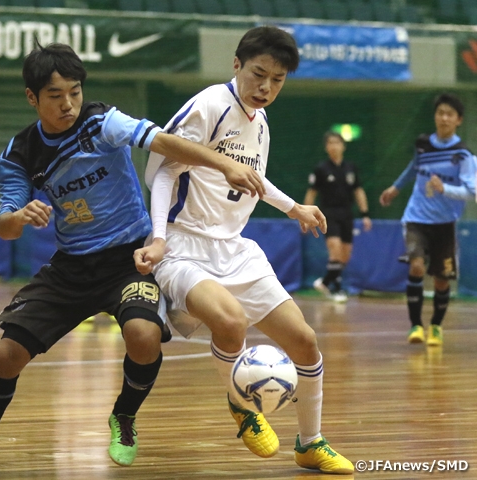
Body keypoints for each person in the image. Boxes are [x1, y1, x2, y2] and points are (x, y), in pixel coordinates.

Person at [0, 43, 265, 475]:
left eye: (75, 92)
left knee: (143, 334)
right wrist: (20, 216)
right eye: (55, 96)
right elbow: (4, 225)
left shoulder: (102, 122)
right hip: (72, 267)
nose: (68, 105)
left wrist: (222, 164)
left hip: (129, 260)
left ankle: (124, 416)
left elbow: (164, 141)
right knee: (7, 354)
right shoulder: (21, 152)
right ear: (32, 97)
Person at [134, 26, 354, 474]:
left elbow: (252, 178)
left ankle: (310, 443)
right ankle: (243, 407)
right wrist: (158, 237)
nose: (266, 87)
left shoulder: (261, 121)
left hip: (235, 248)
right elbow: (162, 173)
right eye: (258, 74)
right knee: (231, 321)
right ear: (236, 65)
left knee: (305, 342)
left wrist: (294, 207)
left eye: (277, 80)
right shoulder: (211, 104)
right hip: (183, 245)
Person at [379, 93, 476, 347]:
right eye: (440, 112)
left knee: (442, 279)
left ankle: (435, 326)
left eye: (449, 114)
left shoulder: (463, 155)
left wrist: (444, 189)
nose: (443, 118)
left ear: (458, 120)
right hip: (416, 218)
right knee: (417, 267)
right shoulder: (423, 144)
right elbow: (414, 167)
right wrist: (395, 188)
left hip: (445, 224)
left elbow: (471, 191)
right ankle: (415, 326)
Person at [304, 131, 372, 302]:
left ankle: (326, 282)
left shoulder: (350, 168)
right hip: (328, 214)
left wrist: (365, 214)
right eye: (330, 143)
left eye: (337, 143)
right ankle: (337, 289)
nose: (334, 146)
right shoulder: (321, 169)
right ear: (326, 147)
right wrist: (304, 215)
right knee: (334, 248)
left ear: (343, 146)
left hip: (347, 214)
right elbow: (311, 193)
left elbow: (358, 191)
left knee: (345, 255)